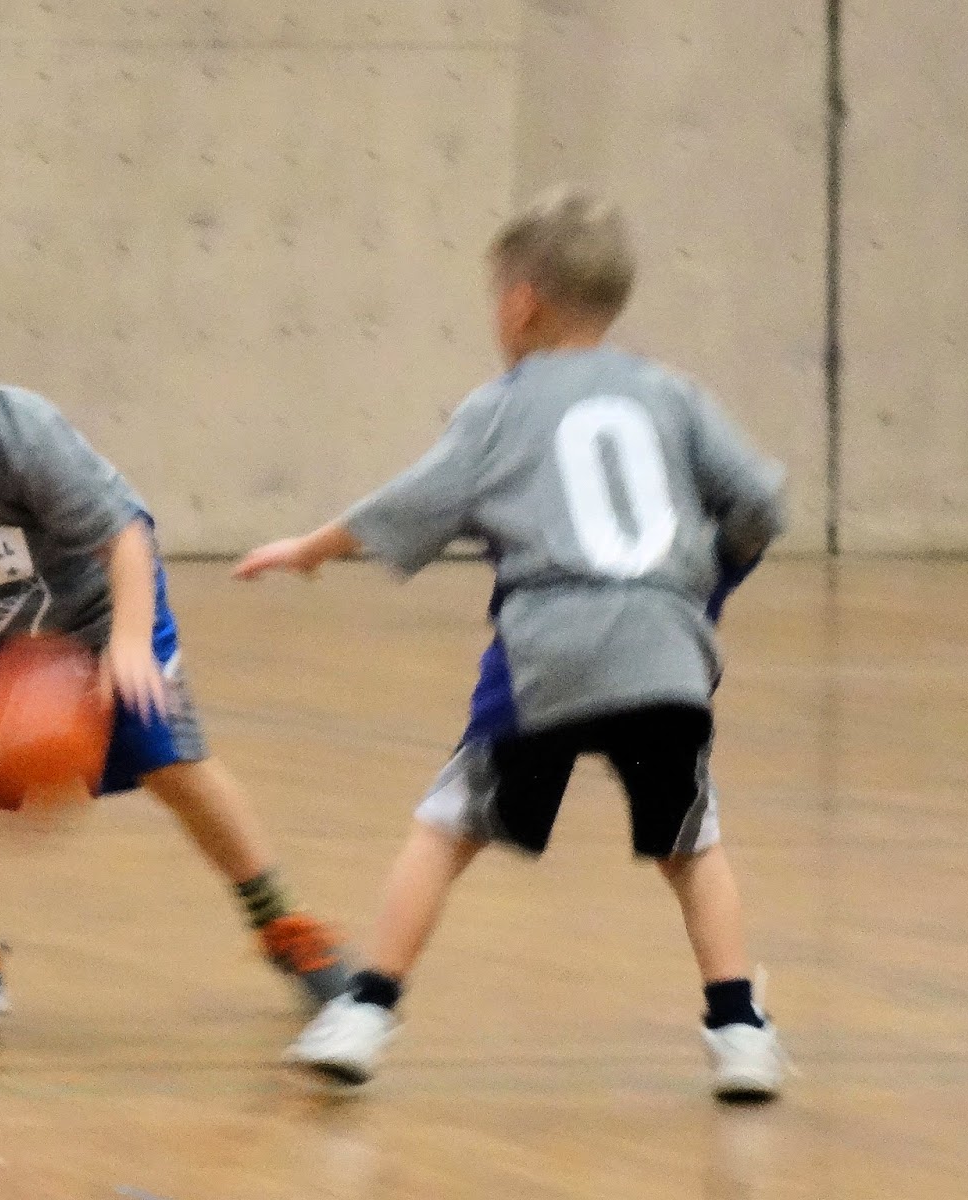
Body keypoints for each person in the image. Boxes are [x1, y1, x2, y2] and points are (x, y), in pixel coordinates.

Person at [235, 188, 788, 1100]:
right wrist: (704, 581)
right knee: (692, 843)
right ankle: (738, 1031)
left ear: (521, 300)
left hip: (549, 653)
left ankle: (367, 1010)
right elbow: (761, 502)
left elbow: (409, 505)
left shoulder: (501, 407)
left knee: (449, 826)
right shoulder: (675, 395)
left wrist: (309, 550)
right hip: (666, 652)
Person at [0, 250, 349, 1019]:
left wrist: (130, 643)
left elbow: (126, 535)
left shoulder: (17, 434)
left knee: (177, 769)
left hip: (103, 614)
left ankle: (286, 927)